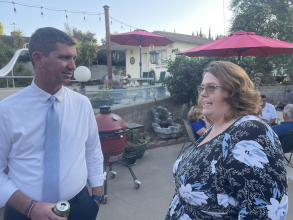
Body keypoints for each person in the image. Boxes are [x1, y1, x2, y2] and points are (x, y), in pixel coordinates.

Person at [0, 27, 104, 220]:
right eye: (64, 58)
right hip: (24, 213)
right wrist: (30, 208)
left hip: (80, 208)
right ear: (38, 59)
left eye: (74, 58)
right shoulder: (6, 111)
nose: (73, 66)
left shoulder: (82, 104)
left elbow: (93, 151)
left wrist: (96, 197)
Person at [166, 61, 288, 219]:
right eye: (202, 88)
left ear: (234, 92)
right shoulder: (215, 127)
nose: (203, 93)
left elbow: (263, 212)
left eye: (211, 87)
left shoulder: (252, 132)